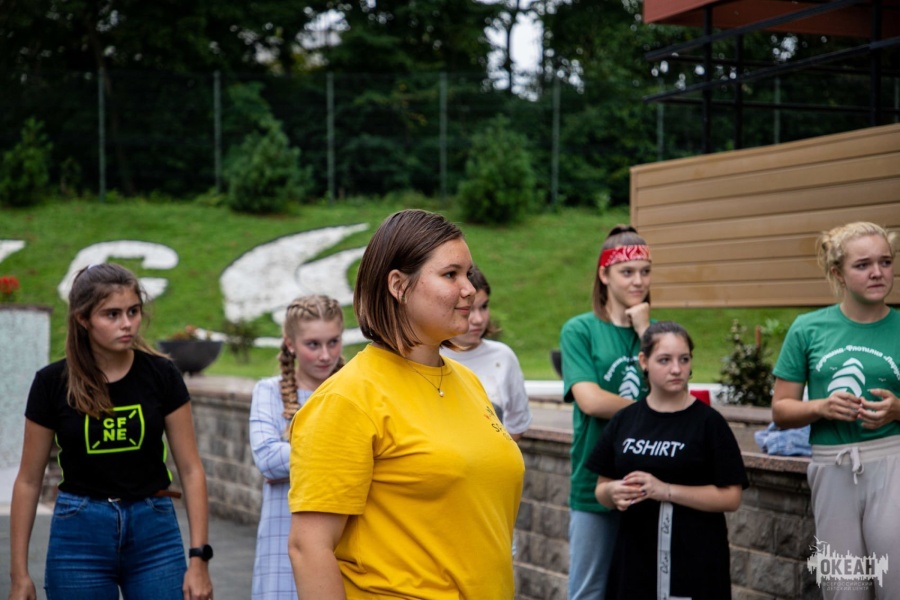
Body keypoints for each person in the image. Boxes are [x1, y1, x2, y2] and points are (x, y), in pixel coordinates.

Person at [287, 209, 525, 599]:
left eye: (468, 274)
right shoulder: (347, 398)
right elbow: (308, 548)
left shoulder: (469, 383)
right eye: (451, 274)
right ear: (399, 285)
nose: (469, 289)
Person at [8, 263, 213, 600]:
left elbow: (191, 470)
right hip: (79, 535)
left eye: (133, 311)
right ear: (83, 319)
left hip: (154, 533)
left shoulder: (162, 374)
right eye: (112, 314)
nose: (127, 323)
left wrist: (199, 560)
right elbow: (29, 480)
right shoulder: (51, 383)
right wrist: (19, 575)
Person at [772, 221, 900, 599]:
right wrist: (821, 406)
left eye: (885, 262)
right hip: (832, 468)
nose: (877, 272)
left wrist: (897, 410)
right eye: (862, 264)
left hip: (893, 462)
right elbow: (781, 411)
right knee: (844, 590)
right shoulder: (807, 328)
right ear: (838, 274)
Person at [587, 321, 748, 599]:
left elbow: (731, 497)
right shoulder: (626, 419)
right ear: (644, 361)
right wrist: (612, 492)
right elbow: (601, 489)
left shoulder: (709, 423)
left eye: (684, 359)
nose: (676, 369)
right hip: (635, 560)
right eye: (665, 360)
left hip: (694, 560)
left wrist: (665, 490)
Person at [559, 224, 653, 599]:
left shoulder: (657, 335)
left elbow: (675, 393)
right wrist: (653, 412)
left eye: (645, 271)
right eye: (627, 272)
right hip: (593, 481)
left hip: (651, 482)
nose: (638, 281)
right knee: (589, 592)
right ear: (604, 274)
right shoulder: (579, 330)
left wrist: (646, 333)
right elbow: (592, 401)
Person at [249, 295, 344, 600]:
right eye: (313, 344)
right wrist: (342, 456)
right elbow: (267, 458)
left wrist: (295, 461)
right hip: (281, 541)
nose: (326, 355)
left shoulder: (353, 391)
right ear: (290, 344)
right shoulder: (269, 391)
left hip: (343, 545)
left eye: (333, 342)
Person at [440, 265, 532, 441]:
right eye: (468, 309)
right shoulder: (429, 357)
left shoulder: (503, 357)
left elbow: (517, 423)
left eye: (484, 307)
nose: (478, 319)